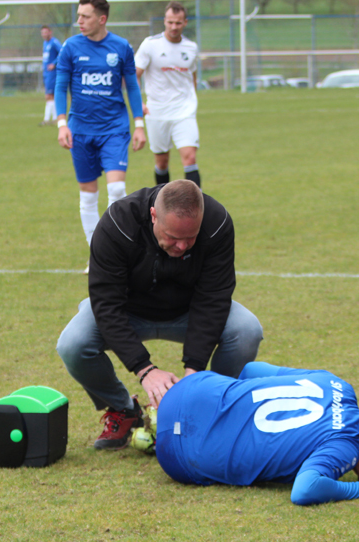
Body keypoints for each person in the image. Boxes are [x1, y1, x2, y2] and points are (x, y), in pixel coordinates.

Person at [56, 180, 264, 450]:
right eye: (173, 237)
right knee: (73, 343)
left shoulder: (217, 222)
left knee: (247, 329)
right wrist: (145, 370)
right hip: (128, 311)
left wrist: (194, 372)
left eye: (191, 238)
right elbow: (107, 305)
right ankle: (124, 410)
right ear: (153, 215)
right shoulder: (118, 223)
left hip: (188, 311)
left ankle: (210, 411)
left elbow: (213, 297)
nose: (182, 246)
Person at [155, 361, 359, 506]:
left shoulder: (338, 384)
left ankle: (153, 419)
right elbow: (305, 490)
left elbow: (252, 369)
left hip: (186, 390)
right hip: (177, 456)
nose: (355, 473)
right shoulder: (345, 446)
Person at [54, 0, 146, 255]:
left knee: (116, 189)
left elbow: (133, 87)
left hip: (114, 129)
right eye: (78, 16)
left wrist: (139, 125)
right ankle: (97, 254)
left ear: (102, 19)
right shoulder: (70, 47)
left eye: (85, 16)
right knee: (88, 195)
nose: (79, 21)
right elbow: (60, 87)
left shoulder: (121, 47)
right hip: (80, 130)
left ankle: (118, 251)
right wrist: (62, 124)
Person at [135, 2, 202, 187]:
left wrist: (191, 100)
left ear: (185, 23)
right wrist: (137, 102)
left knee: (190, 158)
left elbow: (192, 78)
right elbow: (134, 76)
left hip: (184, 111)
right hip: (157, 112)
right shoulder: (150, 45)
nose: (174, 27)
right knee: (162, 162)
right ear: (164, 21)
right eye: (170, 22)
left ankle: (197, 211)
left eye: (178, 23)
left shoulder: (191, 48)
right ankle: (163, 208)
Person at [40, 26, 62, 126]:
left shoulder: (54, 42)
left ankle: (47, 119)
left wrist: (54, 63)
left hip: (52, 73)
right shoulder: (45, 43)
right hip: (47, 73)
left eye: (46, 32)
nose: (44, 34)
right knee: (50, 96)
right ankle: (54, 118)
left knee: (49, 95)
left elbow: (62, 52)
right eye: (42, 33)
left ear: (50, 32)